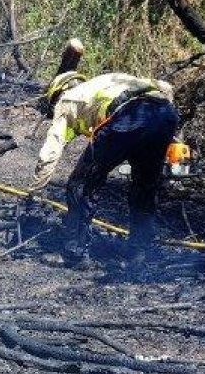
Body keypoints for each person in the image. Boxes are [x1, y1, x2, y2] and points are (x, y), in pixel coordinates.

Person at [32, 70, 179, 267]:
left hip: (128, 117)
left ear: (59, 91)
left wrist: (34, 189)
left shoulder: (67, 100)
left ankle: (73, 253)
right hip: (164, 113)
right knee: (144, 187)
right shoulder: (107, 80)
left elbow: (50, 151)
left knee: (81, 184)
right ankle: (139, 252)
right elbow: (166, 87)